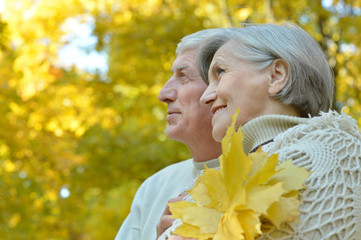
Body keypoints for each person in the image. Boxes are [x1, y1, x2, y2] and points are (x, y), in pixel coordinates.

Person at [195, 23, 361, 239]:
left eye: (220, 72)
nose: (204, 97)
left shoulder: (336, 152)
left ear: (276, 76)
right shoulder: (214, 181)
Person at [115, 28, 234, 240]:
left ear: (221, 85)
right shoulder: (154, 188)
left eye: (184, 76)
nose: (164, 94)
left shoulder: (284, 171)